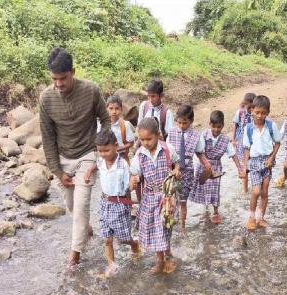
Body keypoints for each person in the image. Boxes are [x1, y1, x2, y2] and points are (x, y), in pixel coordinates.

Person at [39, 47, 110, 268]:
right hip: (62, 158)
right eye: (54, 79)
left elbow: (106, 120)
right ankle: (85, 230)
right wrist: (58, 172)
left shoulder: (91, 90)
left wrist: (100, 153)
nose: (58, 84)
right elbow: (48, 137)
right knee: (71, 205)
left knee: (80, 206)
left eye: (63, 78)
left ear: (73, 72)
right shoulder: (46, 98)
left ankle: (75, 255)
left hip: (88, 154)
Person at [84, 130, 140, 278]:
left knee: (122, 238)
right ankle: (112, 266)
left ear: (116, 146)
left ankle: (134, 244)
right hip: (104, 202)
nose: (103, 154)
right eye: (100, 151)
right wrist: (89, 170)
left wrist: (132, 185)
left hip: (119, 204)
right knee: (107, 238)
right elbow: (96, 164)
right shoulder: (101, 161)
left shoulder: (123, 165)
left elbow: (129, 186)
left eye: (106, 150)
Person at [130, 117, 181, 273]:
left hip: (167, 197)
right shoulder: (139, 155)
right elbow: (135, 174)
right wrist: (135, 179)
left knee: (166, 227)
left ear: (158, 135)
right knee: (157, 229)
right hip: (150, 198)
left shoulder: (167, 149)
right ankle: (161, 261)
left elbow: (177, 162)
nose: (145, 143)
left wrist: (177, 169)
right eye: (142, 139)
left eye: (149, 139)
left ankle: (167, 253)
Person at [189, 110, 240, 224]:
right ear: (209, 124)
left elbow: (233, 154)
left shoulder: (225, 140)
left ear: (222, 126)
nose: (216, 129)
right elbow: (198, 151)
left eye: (219, 127)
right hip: (203, 165)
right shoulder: (204, 135)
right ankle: (206, 209)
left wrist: (239, 168)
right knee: (204, 189)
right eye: (214, 126)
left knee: (214, 190)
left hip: (216, 167)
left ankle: (216, 212)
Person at [241, 95, 282, 231]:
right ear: (252, 110)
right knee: (256, 191)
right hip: (253, 162)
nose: (259, 115)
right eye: (257, 112)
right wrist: (245, 166)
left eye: (263, 113)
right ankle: (251, 217)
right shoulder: (248, 128)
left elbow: (277, 143)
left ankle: (261, 217)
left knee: (264, 192)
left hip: (267, 161)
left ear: (268, 113)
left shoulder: (271, 125)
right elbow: (246, 148)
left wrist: (271, 158)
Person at [166, 105, 209, 232]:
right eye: (179, 122)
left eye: (185, 123)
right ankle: (171, 222)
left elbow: (200, 153)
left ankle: (183, 226)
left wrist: (207, 165)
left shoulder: (196, 135)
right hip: (173, 170)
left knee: (183, 200)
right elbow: (167, 152)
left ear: (191, 121)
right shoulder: (172, 133)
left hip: (187, 171)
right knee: (171, 197)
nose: (181, 125)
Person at [231, 93, 256, 194]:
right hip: (241, 142)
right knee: (243, 165)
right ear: (246, 104)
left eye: (252, 107)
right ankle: (245, 190)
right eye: (249, 107)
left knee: (253, 163)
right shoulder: (240, 112)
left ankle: (255, 187)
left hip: (253, 142)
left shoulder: (256, 113)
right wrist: (233, 139)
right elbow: (235, 124)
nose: (250, 109)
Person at [105, 95, 135, 164]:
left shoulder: (125, 124)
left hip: (122, 156)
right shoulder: (103, 125)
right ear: (106, 109)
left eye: (117, 108)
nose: (114, 111)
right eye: (111, 108)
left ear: (121, 109)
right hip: (106, 156)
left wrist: (120, 148)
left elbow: (131, 142)